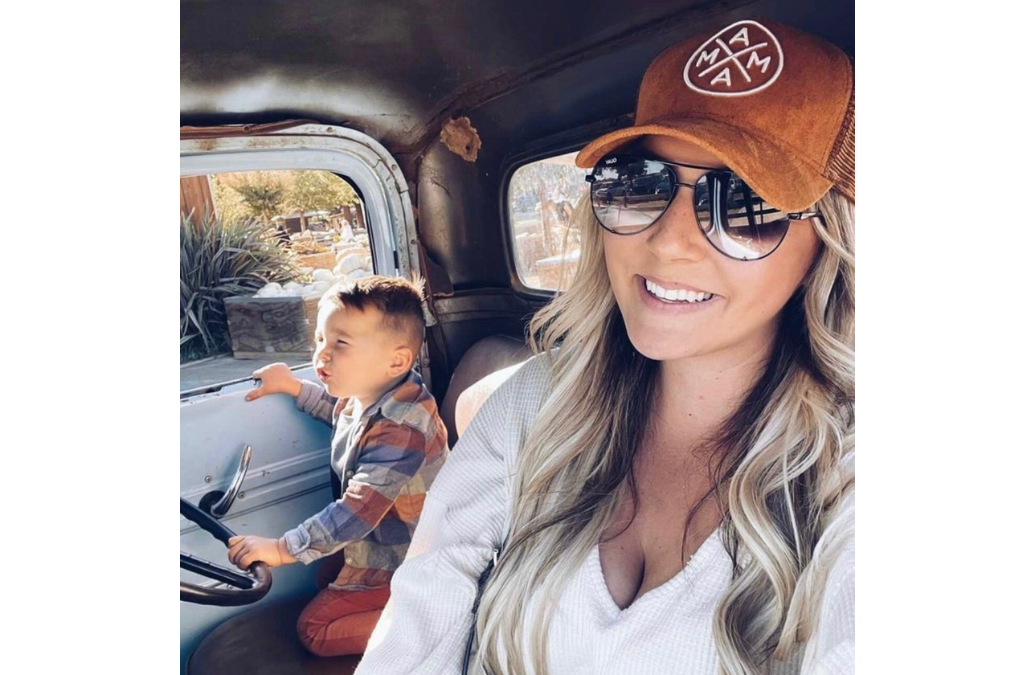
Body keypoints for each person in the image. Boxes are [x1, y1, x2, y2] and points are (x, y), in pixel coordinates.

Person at [356, 18, 854, 675]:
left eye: (745, 203)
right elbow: (423, 605)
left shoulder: (848, 481)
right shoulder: (538, 401)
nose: (667, 240)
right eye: (638, 180)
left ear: (829, 240)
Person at [227, 275, 449, 657]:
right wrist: (294, 387)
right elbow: (340, 414)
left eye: (340, 344)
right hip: (383, 543)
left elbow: (359, 509)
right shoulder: (366, 393)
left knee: (315, 630)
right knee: (325, 574)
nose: (322, 355)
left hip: (413, 557)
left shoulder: (403, 426)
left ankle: (437, 624)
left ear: (396, 360)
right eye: (319, 340)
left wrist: (282, 548)